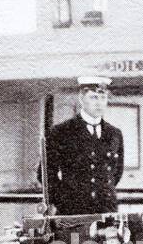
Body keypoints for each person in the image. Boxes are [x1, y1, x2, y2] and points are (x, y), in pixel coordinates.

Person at [44, 76, 125, 215]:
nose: (99, 103)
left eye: (103, 98)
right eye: (93, 97)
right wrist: (63, 200)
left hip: (106, 211)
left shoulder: (114, 133)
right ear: (81, 98)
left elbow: (116, 173)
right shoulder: (61, 132)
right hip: (73, 212)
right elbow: (45, 174)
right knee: (75, 238)